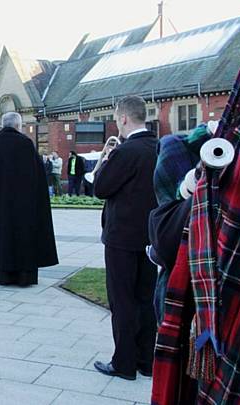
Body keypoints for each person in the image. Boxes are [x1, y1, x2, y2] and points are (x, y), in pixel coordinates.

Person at [92, 95, 158, 381]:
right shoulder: (160, 147)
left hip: (122, 237)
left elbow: (101, 187)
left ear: (123, 119)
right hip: (151, 236)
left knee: (122, 301)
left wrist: (106, 159)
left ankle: (124, 363)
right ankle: (147, 361)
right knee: (146, 299)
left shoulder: (126, 151)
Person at [0, 112, 58, 286]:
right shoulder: (25, 144)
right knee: (21, 237)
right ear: (19, 125)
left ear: (2, 125)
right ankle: (22, 276)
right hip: (21, 207)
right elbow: (38, 179)